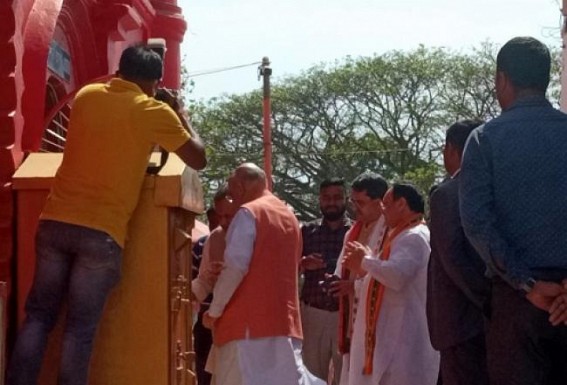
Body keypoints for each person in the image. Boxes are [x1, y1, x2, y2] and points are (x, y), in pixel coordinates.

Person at [7, 45, 206, 385]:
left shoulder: (87, 95)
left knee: (39, 316)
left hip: (54, 221)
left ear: (119, 71)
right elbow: (198, 158)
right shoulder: (153, 111)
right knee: (80, 328)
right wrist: (179, 111)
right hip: (101, 232)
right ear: (155, 82)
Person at [459, 36, 567, 385]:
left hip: (516, 304)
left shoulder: (483, 140)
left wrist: (528, 283)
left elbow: (477, 224)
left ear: (502, 79)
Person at [202, 163, 324, 385]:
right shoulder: (288, 216)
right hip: (283, 326)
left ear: (240, 186)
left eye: (231, 192)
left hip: (245, 329)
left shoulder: (249, 213)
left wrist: (214, 310)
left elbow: (236, 267)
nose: (232, 198)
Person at [342, 183, 439, 385]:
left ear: (402, 204)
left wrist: (366, 260)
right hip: (390, 341)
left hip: (404, 342)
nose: (382, 210)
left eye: (386, 204)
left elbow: (396, 276)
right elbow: (383, 276)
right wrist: (364, 269)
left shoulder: (414, 237)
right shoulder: (400, 236)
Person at [426, 120, 490, 385]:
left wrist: (487, 299)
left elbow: (453, 259)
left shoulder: (447, 194)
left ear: (450, 149)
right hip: (490, 322)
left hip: (459, 322)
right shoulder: (494, 187)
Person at [329, 172, 388, 385]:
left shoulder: (390, 232)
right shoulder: (353, 231)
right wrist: (337, 282)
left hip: (379, 322)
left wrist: (354, 285)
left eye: (360, 202)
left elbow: (387, 276)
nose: (355, 207)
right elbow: (342, 268)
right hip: (353, 319)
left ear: (380, 202)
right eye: (353, 201)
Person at [299, 178, 351, 385]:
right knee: (311, 375)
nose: (332, 203)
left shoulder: (356, 231)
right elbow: (289, 264)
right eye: (327, 198)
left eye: (337, 197)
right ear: (319, 200)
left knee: (345, 375)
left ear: (345, 199)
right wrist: (303, 263)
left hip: (345, 314)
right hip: (314, 313)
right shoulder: (306, 232)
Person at [191, 186, 236, 385]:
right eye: (220, 216)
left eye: (229, 216)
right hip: (215, 325)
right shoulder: (214, 238)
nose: (223, 222)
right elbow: (203, 282)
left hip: (249, 330)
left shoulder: (260, 234)